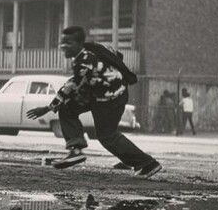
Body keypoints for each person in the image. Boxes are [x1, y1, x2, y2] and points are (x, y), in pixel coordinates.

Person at [26, 26, 162, 178]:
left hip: (111, 98)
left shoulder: (83, 60)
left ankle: (147, 163)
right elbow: (115, 54)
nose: (64, 46)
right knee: (68, 110)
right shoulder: (89, 52)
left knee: (106, 136)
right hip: (100, 94)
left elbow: (72, 86)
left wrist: (47, 108)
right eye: (62, 42)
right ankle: (76, 150)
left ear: (79, 43)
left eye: (68, 43)